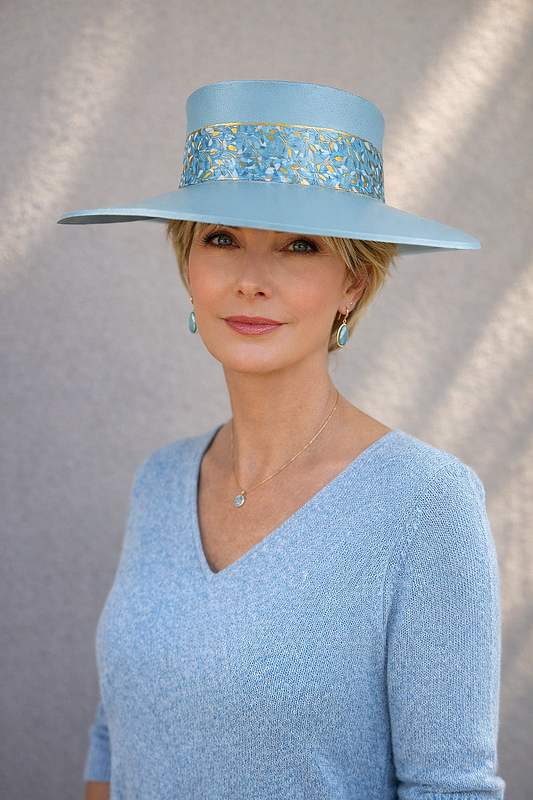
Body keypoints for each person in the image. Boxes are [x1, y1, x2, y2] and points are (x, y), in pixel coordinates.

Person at [59, 80, 505, 800]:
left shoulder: (426, 502)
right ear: (187, 265)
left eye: (298, 246)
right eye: (221, 238)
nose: (251, 281)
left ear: (352, 284)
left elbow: (449, 789)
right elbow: (115, 741)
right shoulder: (161, 477)